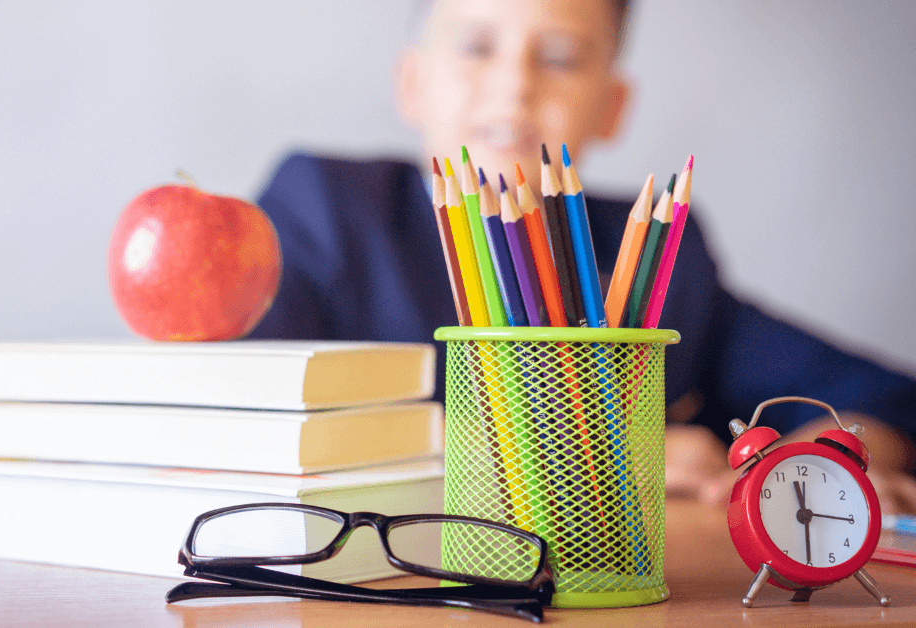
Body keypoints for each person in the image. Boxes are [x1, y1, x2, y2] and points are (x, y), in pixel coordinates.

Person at [246, 0, 916, 513]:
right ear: (411, 82)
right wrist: (598, 461)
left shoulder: (653, 250)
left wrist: (821, 463)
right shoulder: (324, 207)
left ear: (612, 107)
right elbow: (255, 415)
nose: (514, 84)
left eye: (562, 57)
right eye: (477, 47)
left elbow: (873, 394)